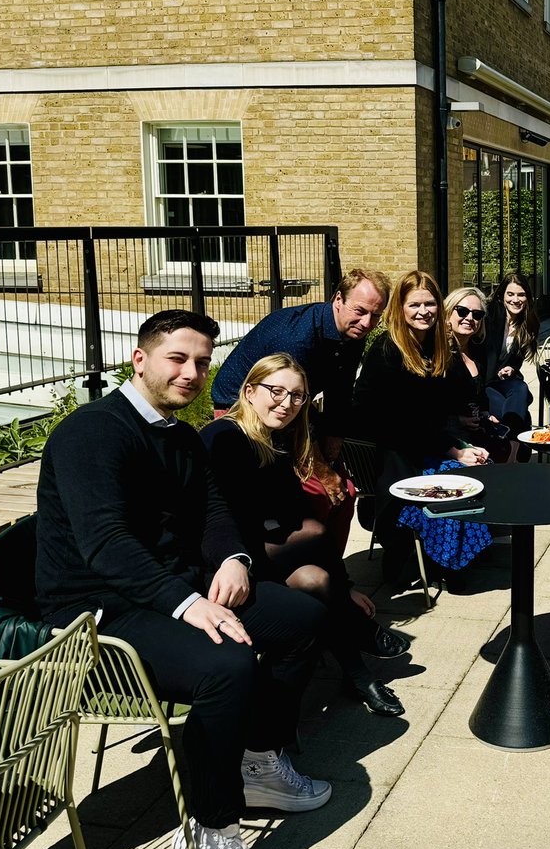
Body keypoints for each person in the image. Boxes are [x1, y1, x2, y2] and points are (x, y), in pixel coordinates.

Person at [35, 311, 331, 849]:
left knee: (301, 620)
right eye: (177, 358)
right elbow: (106, 544)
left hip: (171, 585)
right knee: (227, 667)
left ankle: (257, 760)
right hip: (99, 608)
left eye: (201, 362)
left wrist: (234, 560)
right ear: (139, 359)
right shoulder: (93, 432)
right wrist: (191, 604)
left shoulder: (178, 435)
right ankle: (210, 829)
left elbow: (213, 510)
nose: (192, 373)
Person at [201, 353, 408, 717]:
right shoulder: (226, 438)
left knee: (317, 578)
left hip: (259, 550)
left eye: (297, 396)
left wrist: (343, 587)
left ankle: (358, 675)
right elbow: (225, 521)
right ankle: (359, 637)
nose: (287, 403)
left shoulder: (276, 438)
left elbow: (294, 512)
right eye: (276, 391)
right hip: (223, 561)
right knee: (312, 532)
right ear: (249, 392)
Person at [212, 268, 391, 518]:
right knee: (316, 494)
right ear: (338, 299)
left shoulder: (354, 331)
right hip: (242, 407)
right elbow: (288, 409)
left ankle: (325, 545)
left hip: (294, 407)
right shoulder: (297, 338)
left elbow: (340, 392)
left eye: (376, 315)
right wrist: (322, 470)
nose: (367, 323)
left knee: (346, 491)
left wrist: (333, 446)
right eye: (360, 311)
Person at [352, 270, 488, 582]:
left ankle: (452, 557)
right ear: (399, 308)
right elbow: (400, 421)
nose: (423, 311)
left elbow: (447, 405)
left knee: (482, 465)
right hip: (391, 453)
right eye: (414, 305)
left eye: (430, 304)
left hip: (423, 443)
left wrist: (463, 442)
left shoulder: (435, 347)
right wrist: (453, 449)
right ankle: (440, 559)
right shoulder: (387, 350)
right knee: (456, 478)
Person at [446, 286, 515, 461]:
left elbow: (479, 396)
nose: (470, 318)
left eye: (477, 314)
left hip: (475, 431)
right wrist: (458, 420)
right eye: (462, 311)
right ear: (448, 313)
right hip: (449, 439)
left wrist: (485, 414)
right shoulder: (440, 354)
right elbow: (427, 408)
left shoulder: (477, 351)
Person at [482, 271, 539, 434]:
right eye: (510, 294)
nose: (515, 299)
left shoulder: (527, 323)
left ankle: (511, 443)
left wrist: (511, 368)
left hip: (502, 381)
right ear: (502, 295)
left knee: (520, 388)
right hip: (483, 382)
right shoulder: (489, 316)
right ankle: (515, 444)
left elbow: (516, 360)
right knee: (517, 416)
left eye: (521, 295)